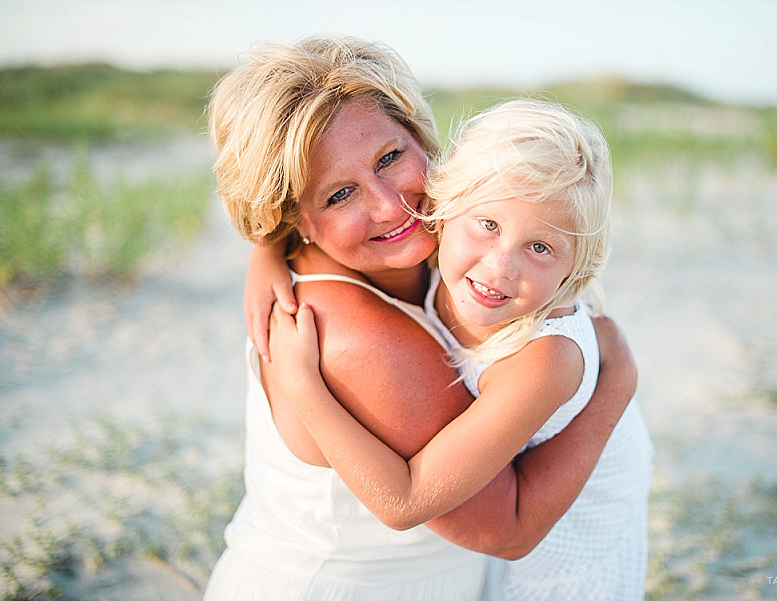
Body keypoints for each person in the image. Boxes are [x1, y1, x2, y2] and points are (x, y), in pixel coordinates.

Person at [203, 35, 638, 601]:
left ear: (420, 137)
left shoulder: (441, 242)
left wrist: (264, 251)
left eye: (390, 158)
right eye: (340, 195)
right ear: (295, 219)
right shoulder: (358, 341)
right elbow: (502, 529)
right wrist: (618, 381)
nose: (391, 205)